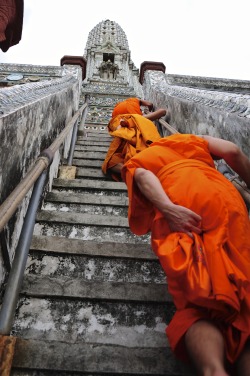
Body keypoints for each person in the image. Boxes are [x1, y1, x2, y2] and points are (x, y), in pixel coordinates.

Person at [121, 133, 250, 376]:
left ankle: (214, 370)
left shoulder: (144, 155)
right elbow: (233, 151)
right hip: (223, 197)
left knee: (198, 301)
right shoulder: (191, 140)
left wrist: (168, 209)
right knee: (243, 294)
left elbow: (142, 174)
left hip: (180, 200)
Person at [102, 98, 167, 180]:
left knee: (111, 163)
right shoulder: (135, 103)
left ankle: (132, 171)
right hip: (134, 121)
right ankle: (139, 171)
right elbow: (151, 105)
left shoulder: (117, 110)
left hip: (119, 121)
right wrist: (148, 111)